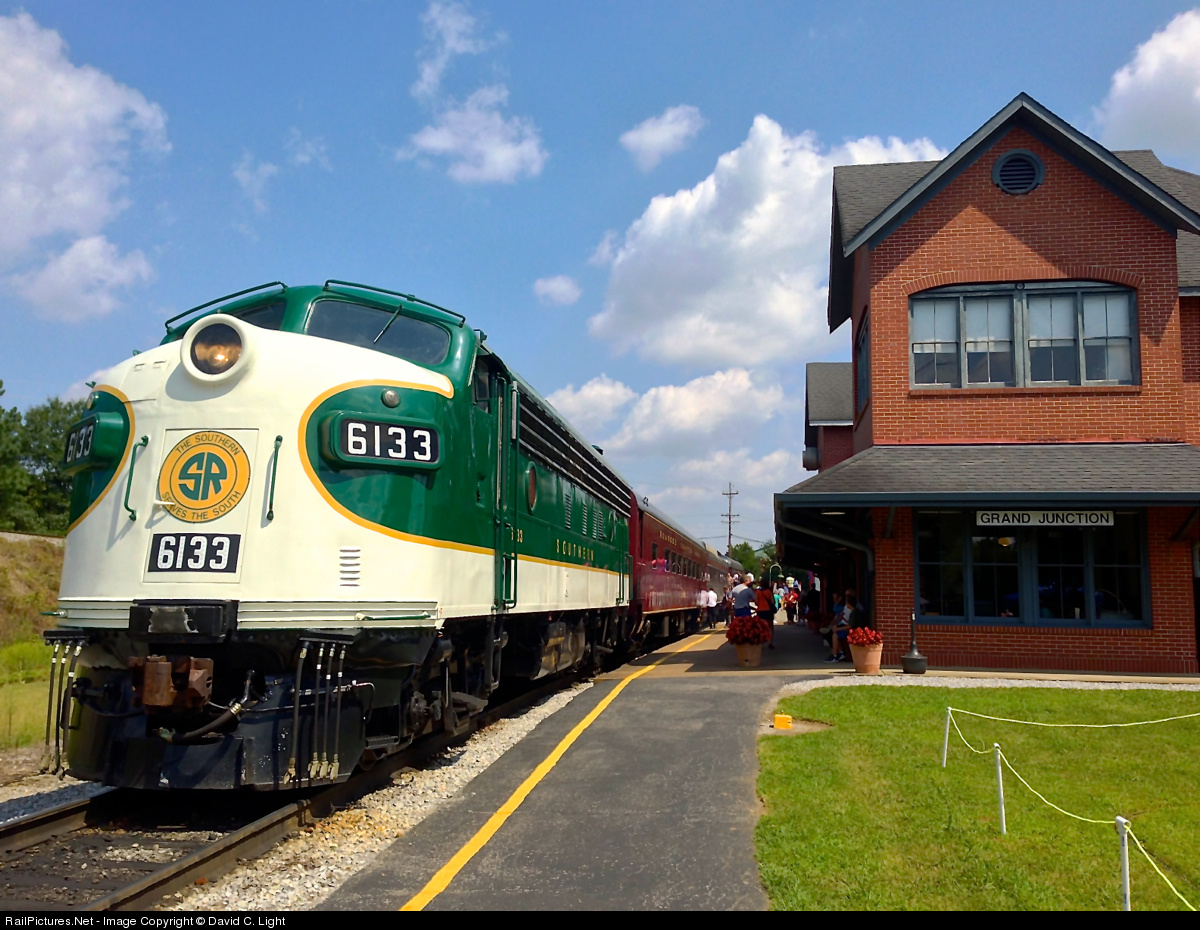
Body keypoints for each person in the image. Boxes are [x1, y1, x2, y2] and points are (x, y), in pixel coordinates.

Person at [755, 577, 776, 650]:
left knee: (761, 627)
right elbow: (773, 602)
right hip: (768, 611)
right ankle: (770, 642)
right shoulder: (769, 592)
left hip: (760, 611)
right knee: (770, 627)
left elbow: (756, 602)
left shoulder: (758, 592)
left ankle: (761, 643)